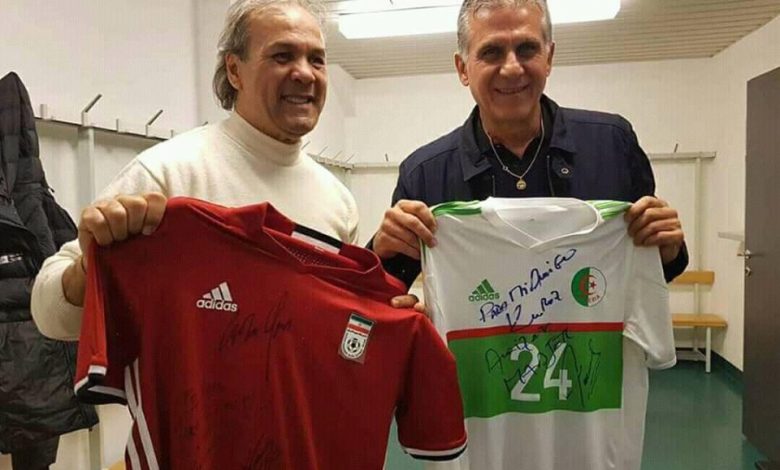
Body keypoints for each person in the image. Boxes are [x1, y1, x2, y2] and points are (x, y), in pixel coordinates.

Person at [31, 0, 361, 340]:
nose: (305, 73)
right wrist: (90, 268)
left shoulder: (339, 201)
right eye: (282, 56)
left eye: (316, 60)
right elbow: (48, 315)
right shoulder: (168, 174)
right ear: (234, 71)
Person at [372, 0, 687, 294]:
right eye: (492, 52)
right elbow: (383, 291)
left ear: (548, 58)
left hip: (595, 337)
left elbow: (656, 266)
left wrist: (668, 247)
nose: (511, 68)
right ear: (463, 68)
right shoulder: (425, 174)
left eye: (526, 49)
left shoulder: (613, 145)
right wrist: (380, 250)